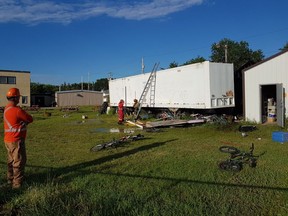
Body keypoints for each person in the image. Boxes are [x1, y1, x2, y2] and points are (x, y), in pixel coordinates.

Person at [3, 88, 33, 189]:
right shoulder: (17, 110)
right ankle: (17, 184)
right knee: (19, 161)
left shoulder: (6, 109)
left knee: (11, 161)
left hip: (8, 140)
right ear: (15, 98)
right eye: (18, 97)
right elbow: (30, 119)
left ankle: (10, 179)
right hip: (16, 140)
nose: (19, 99)